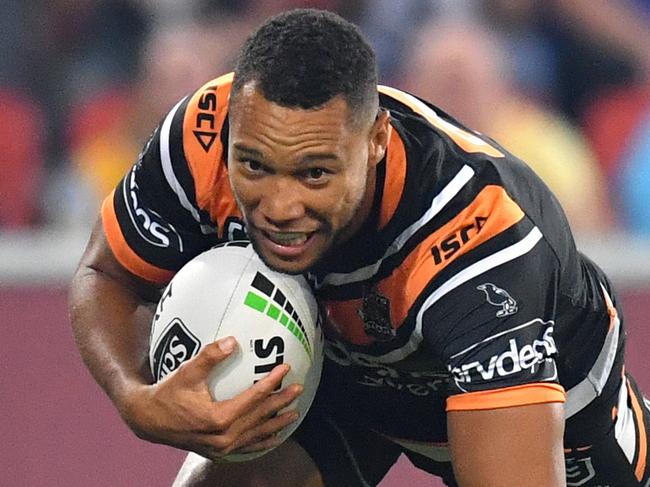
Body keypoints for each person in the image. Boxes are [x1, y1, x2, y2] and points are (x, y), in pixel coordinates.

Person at [69, 9, 650, 487]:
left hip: (553, 420)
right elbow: (107, 275)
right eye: (253, 166)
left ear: (376, 142)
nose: (279, 207)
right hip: (348, 377)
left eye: (314, 174)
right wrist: (134, 399)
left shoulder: (480, 238)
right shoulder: (203, 132)